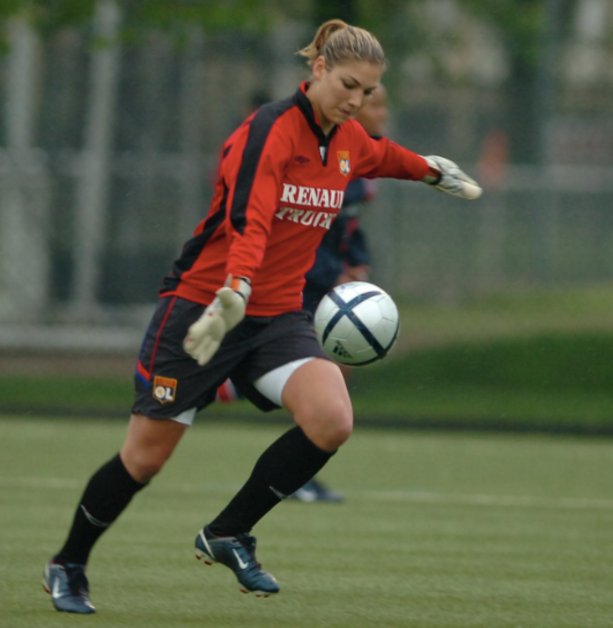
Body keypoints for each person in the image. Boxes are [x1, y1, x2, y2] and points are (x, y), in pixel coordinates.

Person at [43, 18, 481, 614]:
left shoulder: (347, 137)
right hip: (204, 310)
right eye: (348, 85)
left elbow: (380, 156)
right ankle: (69, 563)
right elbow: (249, 218)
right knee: (145, 458)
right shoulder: (268, 132)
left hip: (276, 317)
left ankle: (227, 533)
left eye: (368, 92)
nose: (356, 101)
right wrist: (237, 287)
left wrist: (431, 171)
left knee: (331, 419)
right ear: (318, 69)